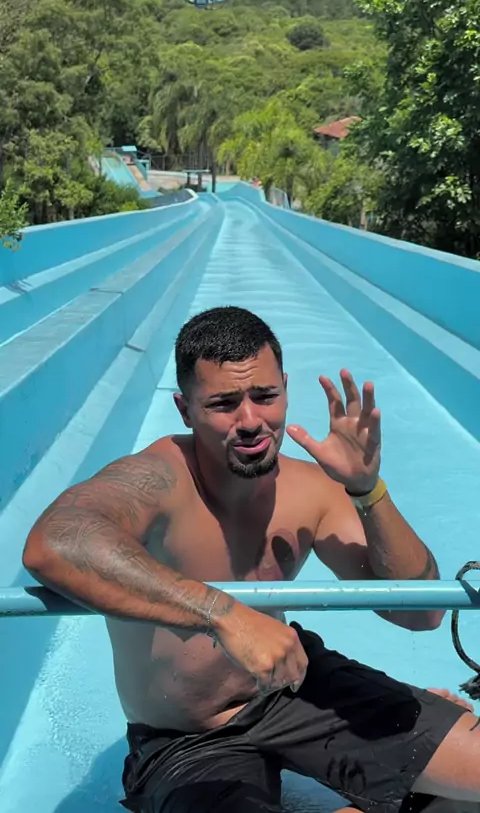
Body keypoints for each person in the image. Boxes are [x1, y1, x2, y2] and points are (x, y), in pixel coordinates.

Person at [22, 306, 480, 813]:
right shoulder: (158, 479)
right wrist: (223, 615)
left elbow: (421, 614)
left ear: (285, 388)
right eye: (223, 403)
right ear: (184, 410)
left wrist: (367, 489)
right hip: (186, 736)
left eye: (265, 396)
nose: (250, 422)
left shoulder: (311, 490)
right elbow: (53, 544)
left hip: (296, 688)